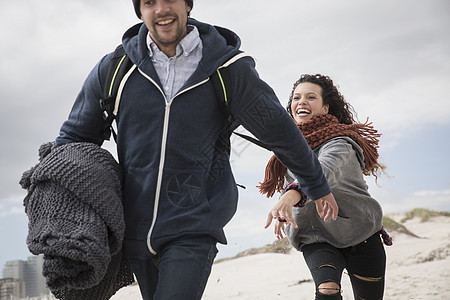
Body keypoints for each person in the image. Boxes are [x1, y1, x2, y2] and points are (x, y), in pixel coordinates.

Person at [55, 1, 338, 299]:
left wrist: (317, 185)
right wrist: (52, 198)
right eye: (150, 2)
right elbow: (74, 139)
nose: (161, 9)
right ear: (139, 11)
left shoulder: (227, 69)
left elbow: (281, 132)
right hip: (134, 228)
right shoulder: (115, 68)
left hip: (194, 223)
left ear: (188, 4)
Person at [261, 74, 392, 300]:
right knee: (327, 288)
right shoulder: (287, 149)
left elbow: (324, 170)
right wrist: (286, 209)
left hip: (361, 232)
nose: (301, 101)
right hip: (316, 236)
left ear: (325, 108)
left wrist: (290, 196)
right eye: (296, 97)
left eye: (311, 97)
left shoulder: (341, 142)